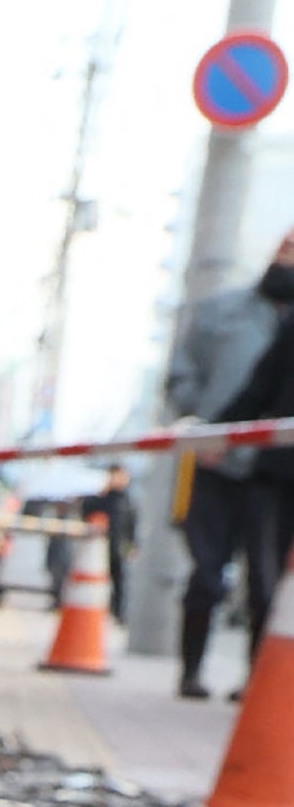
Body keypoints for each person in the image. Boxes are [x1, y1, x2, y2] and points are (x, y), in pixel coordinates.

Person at [166, 229, 294, 696]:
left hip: (276, 471)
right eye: (285, 245)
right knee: (208, 572)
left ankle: (260, 682)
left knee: (270, 585)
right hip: (225, 465)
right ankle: (192, 671)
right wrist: (210, 428)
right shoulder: (223, 312)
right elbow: (249, 387)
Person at [95, 462, 137, 623]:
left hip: (119, 547)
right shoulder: (103, 498)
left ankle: (118, 612)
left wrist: (132, 546)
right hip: (102, 545)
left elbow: (132, 524)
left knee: (120, 581)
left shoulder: (127, 500)